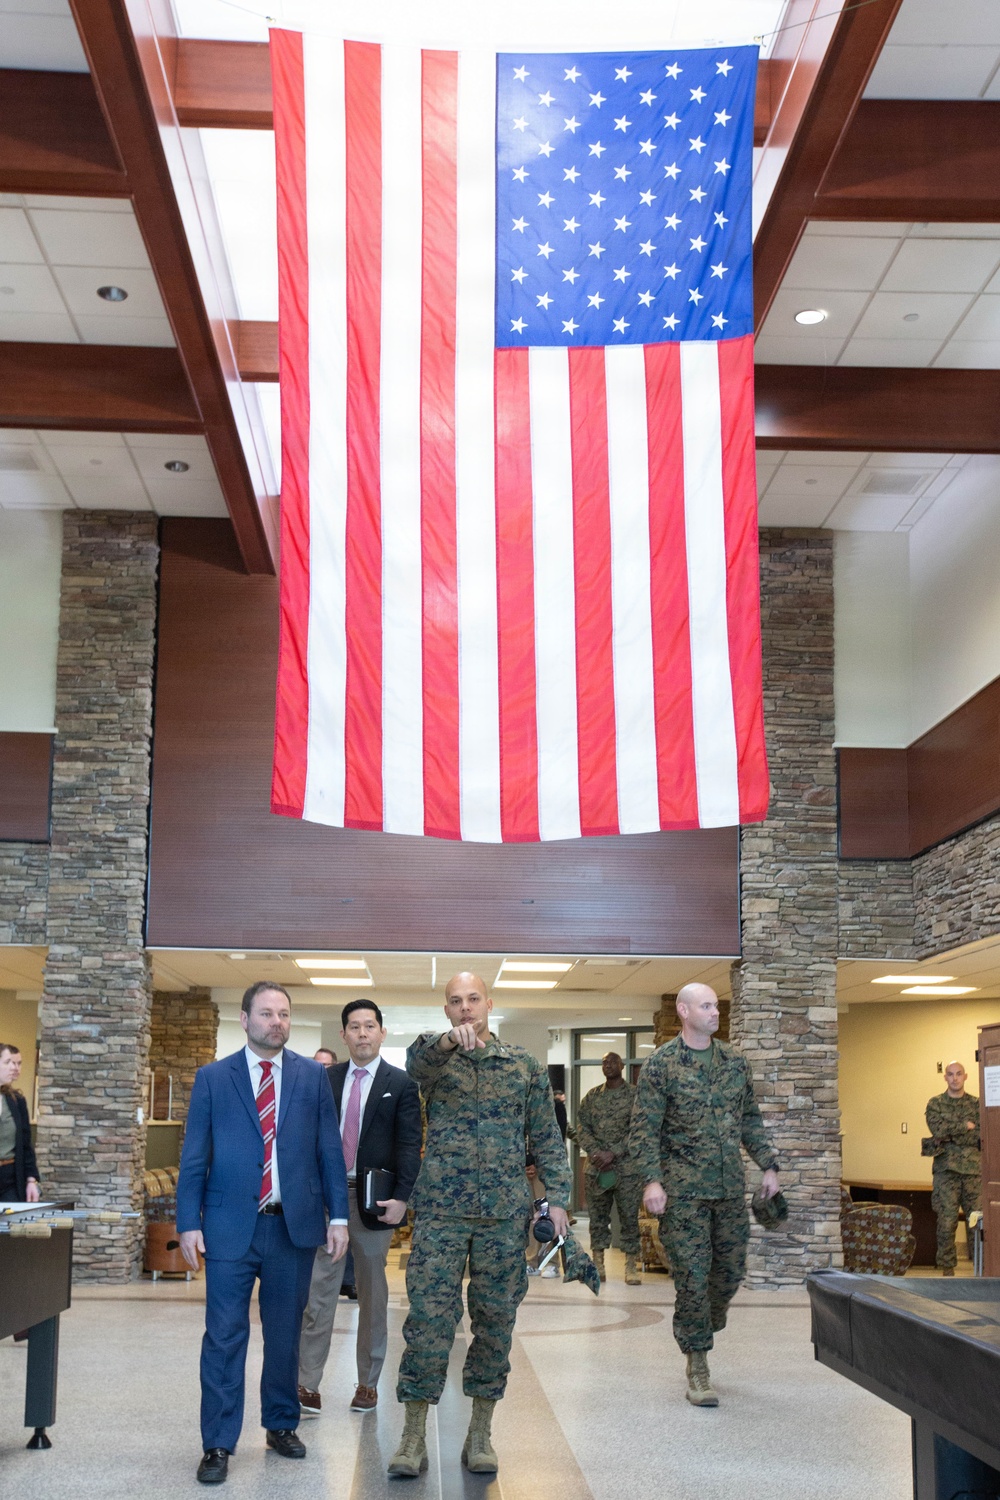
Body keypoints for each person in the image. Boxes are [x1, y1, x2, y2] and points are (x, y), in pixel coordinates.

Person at [388, 972, 571, 1478]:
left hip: (503, 1217)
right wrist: (448, 1041)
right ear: (446, 1008)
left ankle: (480, 1432)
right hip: (442, 1215)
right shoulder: (433, 1058)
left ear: (489, 1003)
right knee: (428, 1323)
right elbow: (415, 1062)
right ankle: (411, 1436)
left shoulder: (523, 1067)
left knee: (494, 1325)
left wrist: (556, 1199)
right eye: (455, 1001)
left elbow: (548, 1138)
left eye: (473, 999)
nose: (465, 1008)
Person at [177, 982, 349, 1486]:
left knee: (284, 1336)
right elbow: (194, 1158)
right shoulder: (212, 1078)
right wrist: (189, 1221)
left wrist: (337, 1216)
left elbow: (328, 1154)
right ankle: (217, 1442)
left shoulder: (311, 1078)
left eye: (284, 1014)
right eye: (267, 1013)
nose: (277, 1021)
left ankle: (279, 1424)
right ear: (245, 1018)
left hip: (291, 1228)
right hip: (230, 1227)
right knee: (224, 1338)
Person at [629, 983, 779, 1408]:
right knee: (693, 1279)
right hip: (683, 1195)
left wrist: (768, 1164)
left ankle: (704, 1325)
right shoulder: (662, 1065)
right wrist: (651, 1181)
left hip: (729, 1189)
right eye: (707, 1005)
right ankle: (698, 1363)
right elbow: (644, 1130)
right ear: (683, 1011)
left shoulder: (734, 1063)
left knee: (728, 1275)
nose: (716, 1012)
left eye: (716, 1005)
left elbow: (750, 1119)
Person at [297, 999, 421, 1416]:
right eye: (355, 1027)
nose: (363, 1033)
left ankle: (367, 1384)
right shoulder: (322, 1080)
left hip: (373, 1203)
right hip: (327, 1200)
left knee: (373, 1297)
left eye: (370, 1026)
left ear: (382, 1033)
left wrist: (402, 1199)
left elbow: (408, 1146)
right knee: (319, 1295)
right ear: (343, 1034)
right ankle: (307, 1384)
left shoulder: (401, 1084)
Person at [576, 1051, 643, 1285]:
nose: (608, 1065)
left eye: (612, 1061)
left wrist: (613, 1152)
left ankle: (631, 1266)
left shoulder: (635, 1095)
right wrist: (595, 1153)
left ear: (621, 1065)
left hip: (626, 1169)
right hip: (597, 1169)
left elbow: (638, 1129)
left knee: (629, 1219)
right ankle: (598, 1263)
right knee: (597, 1219)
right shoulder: (592, 1097)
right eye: (604, 1062)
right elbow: (581, 1127)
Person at [925, 1061, 981, 1277]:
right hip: (946, 1171)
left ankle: (980, 1268)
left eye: (959, 1074)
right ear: (945, 1077)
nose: (955, 1078)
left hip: (974, 1172)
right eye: (950, 1074)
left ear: (965, 1076)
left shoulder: (977, 1104)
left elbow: (980, 1134)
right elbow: (937, 1130)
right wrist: (965, 1126)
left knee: (976, 1222)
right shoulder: (936, 1103)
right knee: (946, 1222)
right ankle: (947, 1270)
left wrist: (952, 1133)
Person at [0, 1043, 40, 1203]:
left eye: (18, 1063)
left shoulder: (17, 1101)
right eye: (8, 1062)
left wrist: (31, 1180)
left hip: (10, 1177)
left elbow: (25, 1145)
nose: (15, 1068)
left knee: (10, 1226)